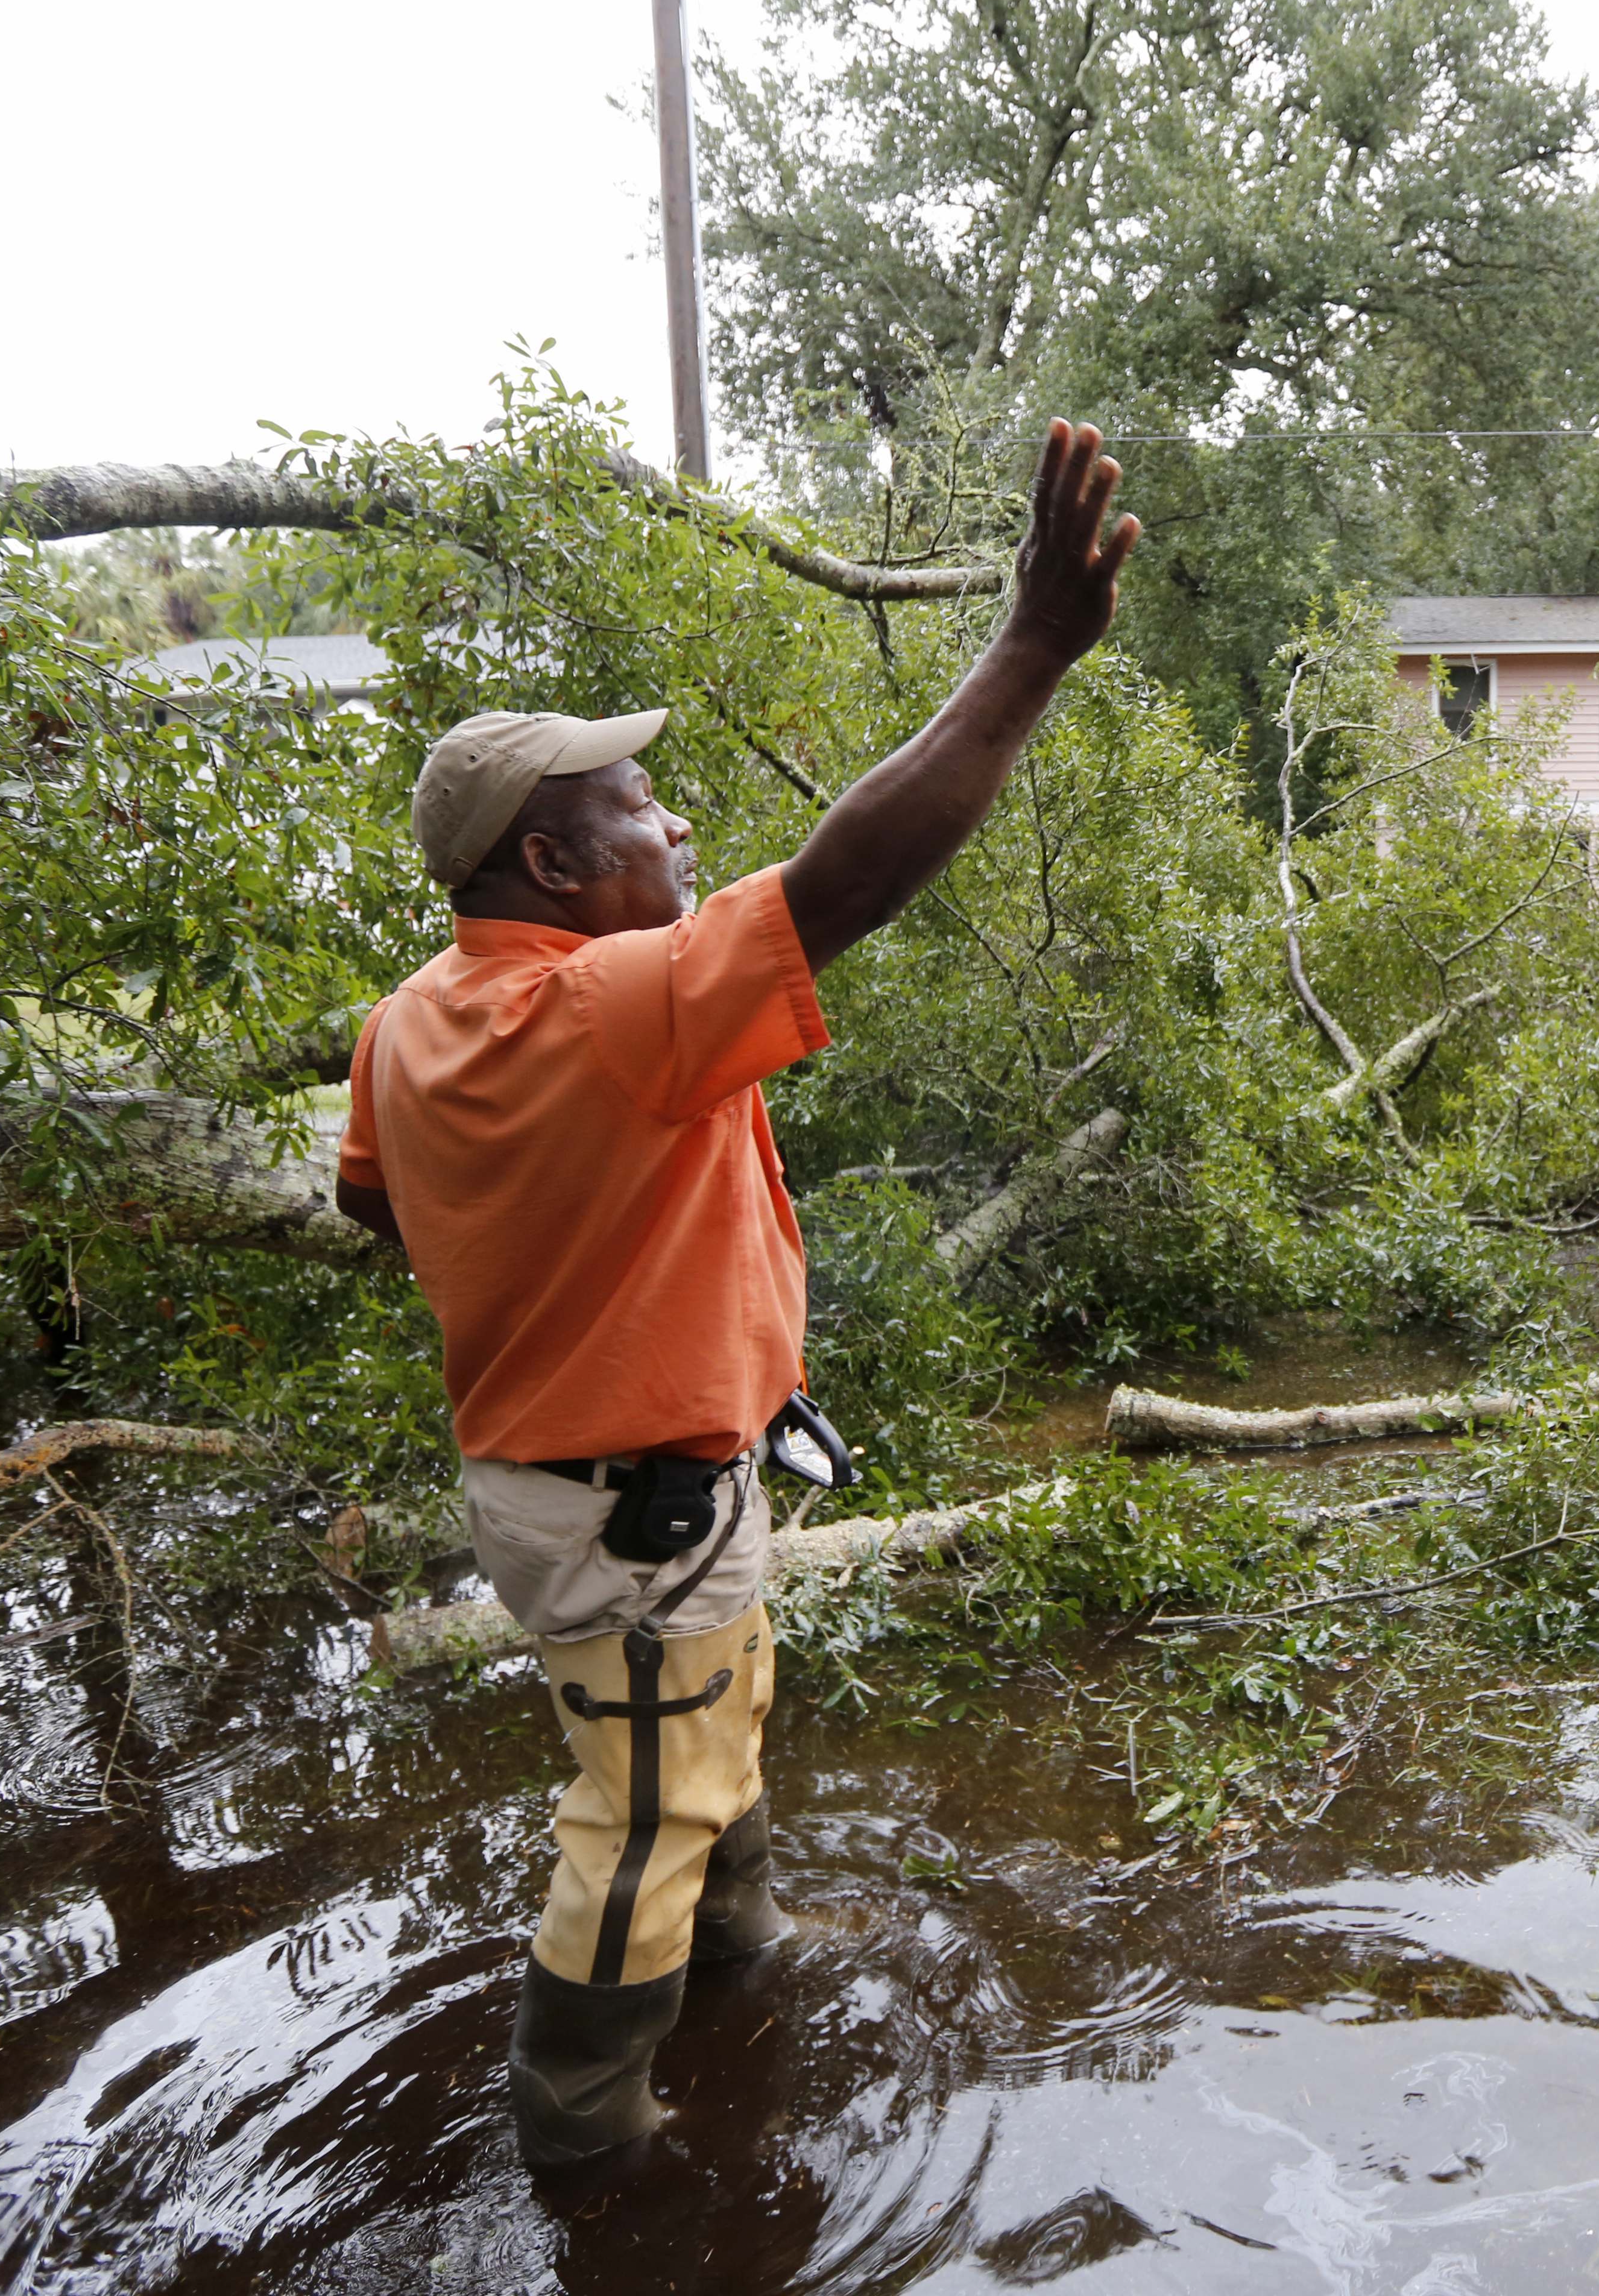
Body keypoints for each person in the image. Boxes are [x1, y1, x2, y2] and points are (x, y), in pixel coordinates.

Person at [332, 424, 1137, 2168]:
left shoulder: (408, 1020)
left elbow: (389, 1218)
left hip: (616, 1483)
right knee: (636, 1816)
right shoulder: (604, 1006)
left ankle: (744, 1953)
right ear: (552, 868)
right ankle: (588, 2136)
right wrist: (1030, 649)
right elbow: (852, 875)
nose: (673, 813)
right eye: (634, 801)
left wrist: (591, 1286)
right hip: (628, 1509)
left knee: (718, 1726)